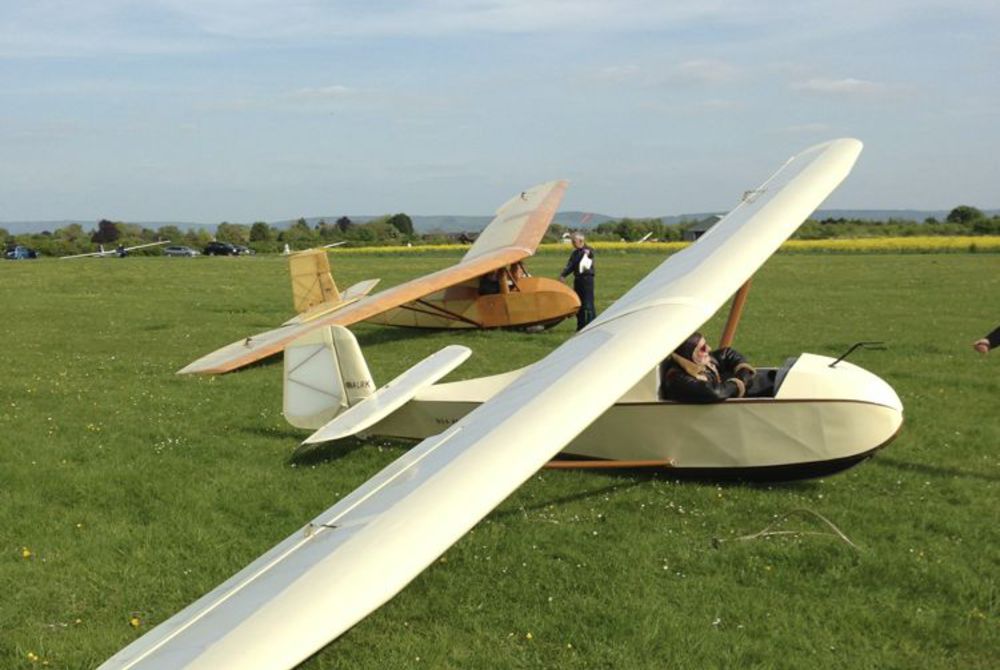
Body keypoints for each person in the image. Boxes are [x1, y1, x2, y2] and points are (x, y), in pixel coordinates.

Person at [659, 332, 770, 403]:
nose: (708, 349)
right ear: (688, 353)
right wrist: (739, 383)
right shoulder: (677, 379)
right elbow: (714, 393)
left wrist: (743, 369)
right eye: (702, 348)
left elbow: (727, 353)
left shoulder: (698, 361)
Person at [560, 232, 596, 330]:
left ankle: (591, 325)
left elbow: (591, 254)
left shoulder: (588, 250)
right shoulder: (575, 253)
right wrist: (563, 275)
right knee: (579, 304)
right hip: (578, 280)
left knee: (588, 304)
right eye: (572, 241)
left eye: (574, 241)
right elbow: (570, 265)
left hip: (587, 280)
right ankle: (580, 326)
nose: (572, 243)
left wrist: (588, 253)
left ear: (581, 241)